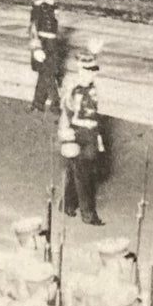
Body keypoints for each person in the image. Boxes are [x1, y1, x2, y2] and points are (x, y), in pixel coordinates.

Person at [60, 44, 105, 227]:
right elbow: (65, 113)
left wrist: (98, 136)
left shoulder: (91, 87)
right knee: (84, 175)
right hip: (79, 133)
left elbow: (94, 113)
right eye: (88, 71)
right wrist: (67, 138)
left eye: (93, 71)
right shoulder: (74, 89)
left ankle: (67, 204)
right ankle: (88, 215)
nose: (92, 74)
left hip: (91, 132)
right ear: (81, 71)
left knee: (76, 171)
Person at [28, 0, 62, 113]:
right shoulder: (39, 5)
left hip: (52, 43)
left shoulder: (54, 6)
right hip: (43, 42)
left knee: (46, 73)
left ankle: (38, 104)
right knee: (49, 74)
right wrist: (36, 47)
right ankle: (56, 104)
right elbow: (33, 27)